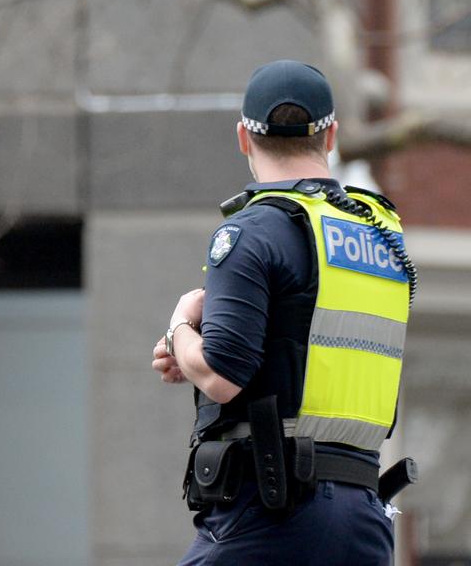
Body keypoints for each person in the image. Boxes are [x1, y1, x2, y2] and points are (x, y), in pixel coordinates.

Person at [152, 60, 412, 564]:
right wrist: (197, 357)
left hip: (269, 513)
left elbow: (225, 376)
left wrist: (181, 325)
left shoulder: (251, 232)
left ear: (244, 140)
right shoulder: (381, 238)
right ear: (332, 134)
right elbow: (318, 349)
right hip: (363, 520)